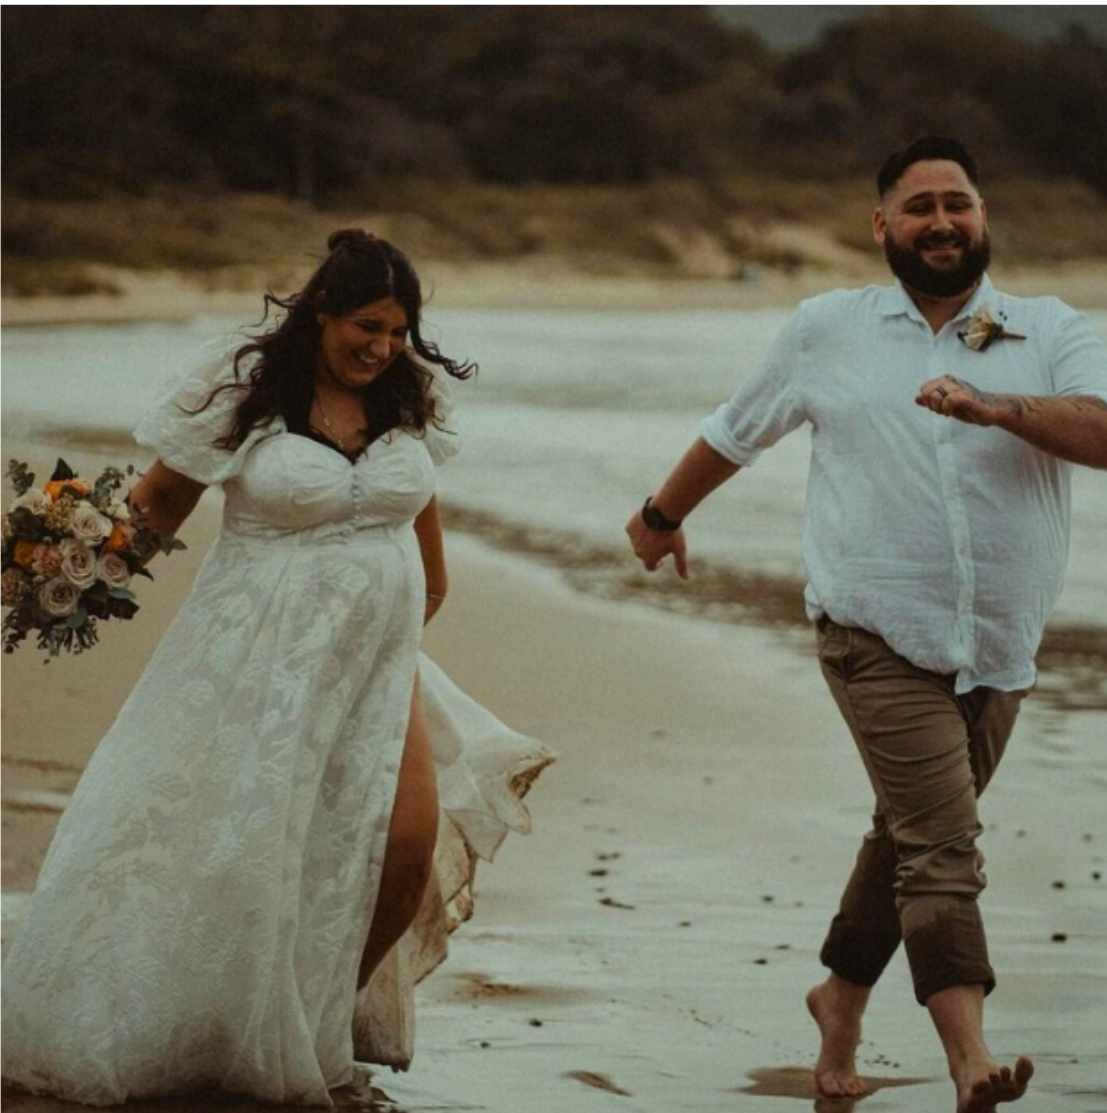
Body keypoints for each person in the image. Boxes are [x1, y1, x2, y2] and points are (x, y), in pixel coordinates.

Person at [0, 228, 553, 1105]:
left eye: (398, 331)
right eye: (367, 327)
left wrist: (373, 632)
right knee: (242, 854)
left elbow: (427, 555)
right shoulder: (247, 392)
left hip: (376, 669)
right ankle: (214, 1025)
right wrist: (51, 563)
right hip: (251, 660)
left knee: (404, 846)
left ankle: (318, 1018)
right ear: (322, 310)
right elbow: (156, 507)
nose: (382, 347)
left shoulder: (406, 399)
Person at [626, 136, 1107, 1113]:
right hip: (873, 630)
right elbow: (736, 430)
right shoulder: (826, 329)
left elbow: (1102, 429)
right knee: (943, 846)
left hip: (999, 646)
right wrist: (661, 513)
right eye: (919, 206)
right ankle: (969, 1059)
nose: (942, 221)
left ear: (983, 216)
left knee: (905, 836)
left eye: (957, 202)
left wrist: (995, 408)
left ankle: (838, 1000)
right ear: (881, 226)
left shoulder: (1049, 328)